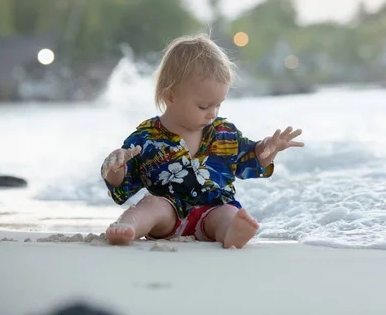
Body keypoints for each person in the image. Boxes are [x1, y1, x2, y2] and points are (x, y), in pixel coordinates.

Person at [100, 34, 304, 249]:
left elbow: (250, 158)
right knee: (151, 205)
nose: (212, 114)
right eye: (203, 106)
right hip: (168, 215)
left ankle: (231, 231)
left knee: (228, 213)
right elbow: (124, 184)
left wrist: (267, 150)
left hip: (212, 211)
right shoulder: (146, 138)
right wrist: (116, 169)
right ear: (170, 96)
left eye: (218, 105)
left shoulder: (224, 133)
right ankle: (128, 226)